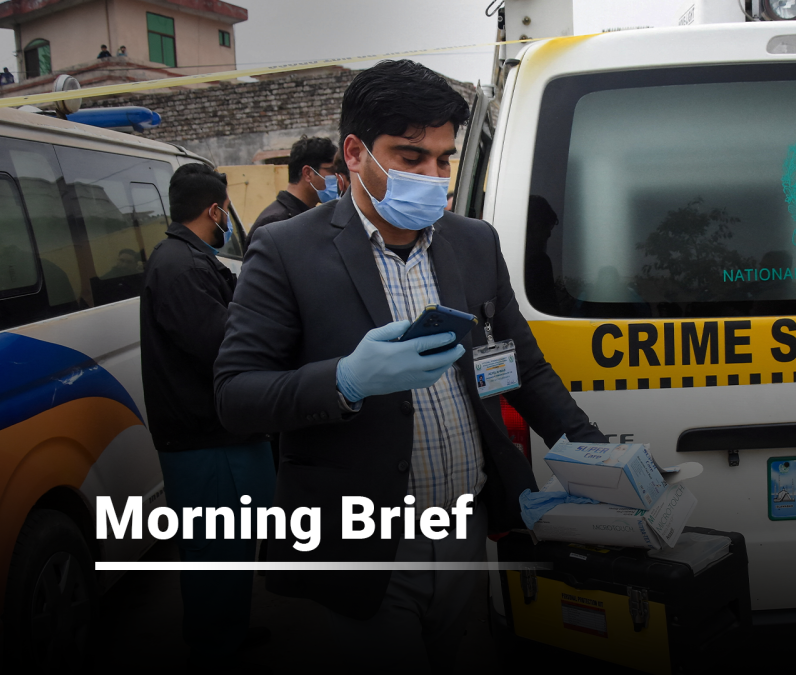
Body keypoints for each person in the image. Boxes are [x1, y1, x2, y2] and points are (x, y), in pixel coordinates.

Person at [214, 59, 606, 671]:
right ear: (355, 153)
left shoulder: (473, 243)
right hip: (367, 549)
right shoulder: (288, 250)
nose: (432, 177)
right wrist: (344, 381)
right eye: (410, 157)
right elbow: (236, 395)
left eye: (444, 160)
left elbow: (523, 368)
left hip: (465, 532)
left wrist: (597, 457)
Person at [140, 163, 274, 670]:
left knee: (231, 546)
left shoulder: (188, 258)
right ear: (215, 210)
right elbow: (223, 348)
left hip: (215, 432)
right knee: (214, 550)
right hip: (205, 438)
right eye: (226, 212)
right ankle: (213, 648)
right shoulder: (182, 268)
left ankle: (227, 632)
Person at [246, 135, 337, 246]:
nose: (337, 178)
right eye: (332, 171)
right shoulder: (274, 222)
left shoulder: (311, 215)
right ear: (308, 173)